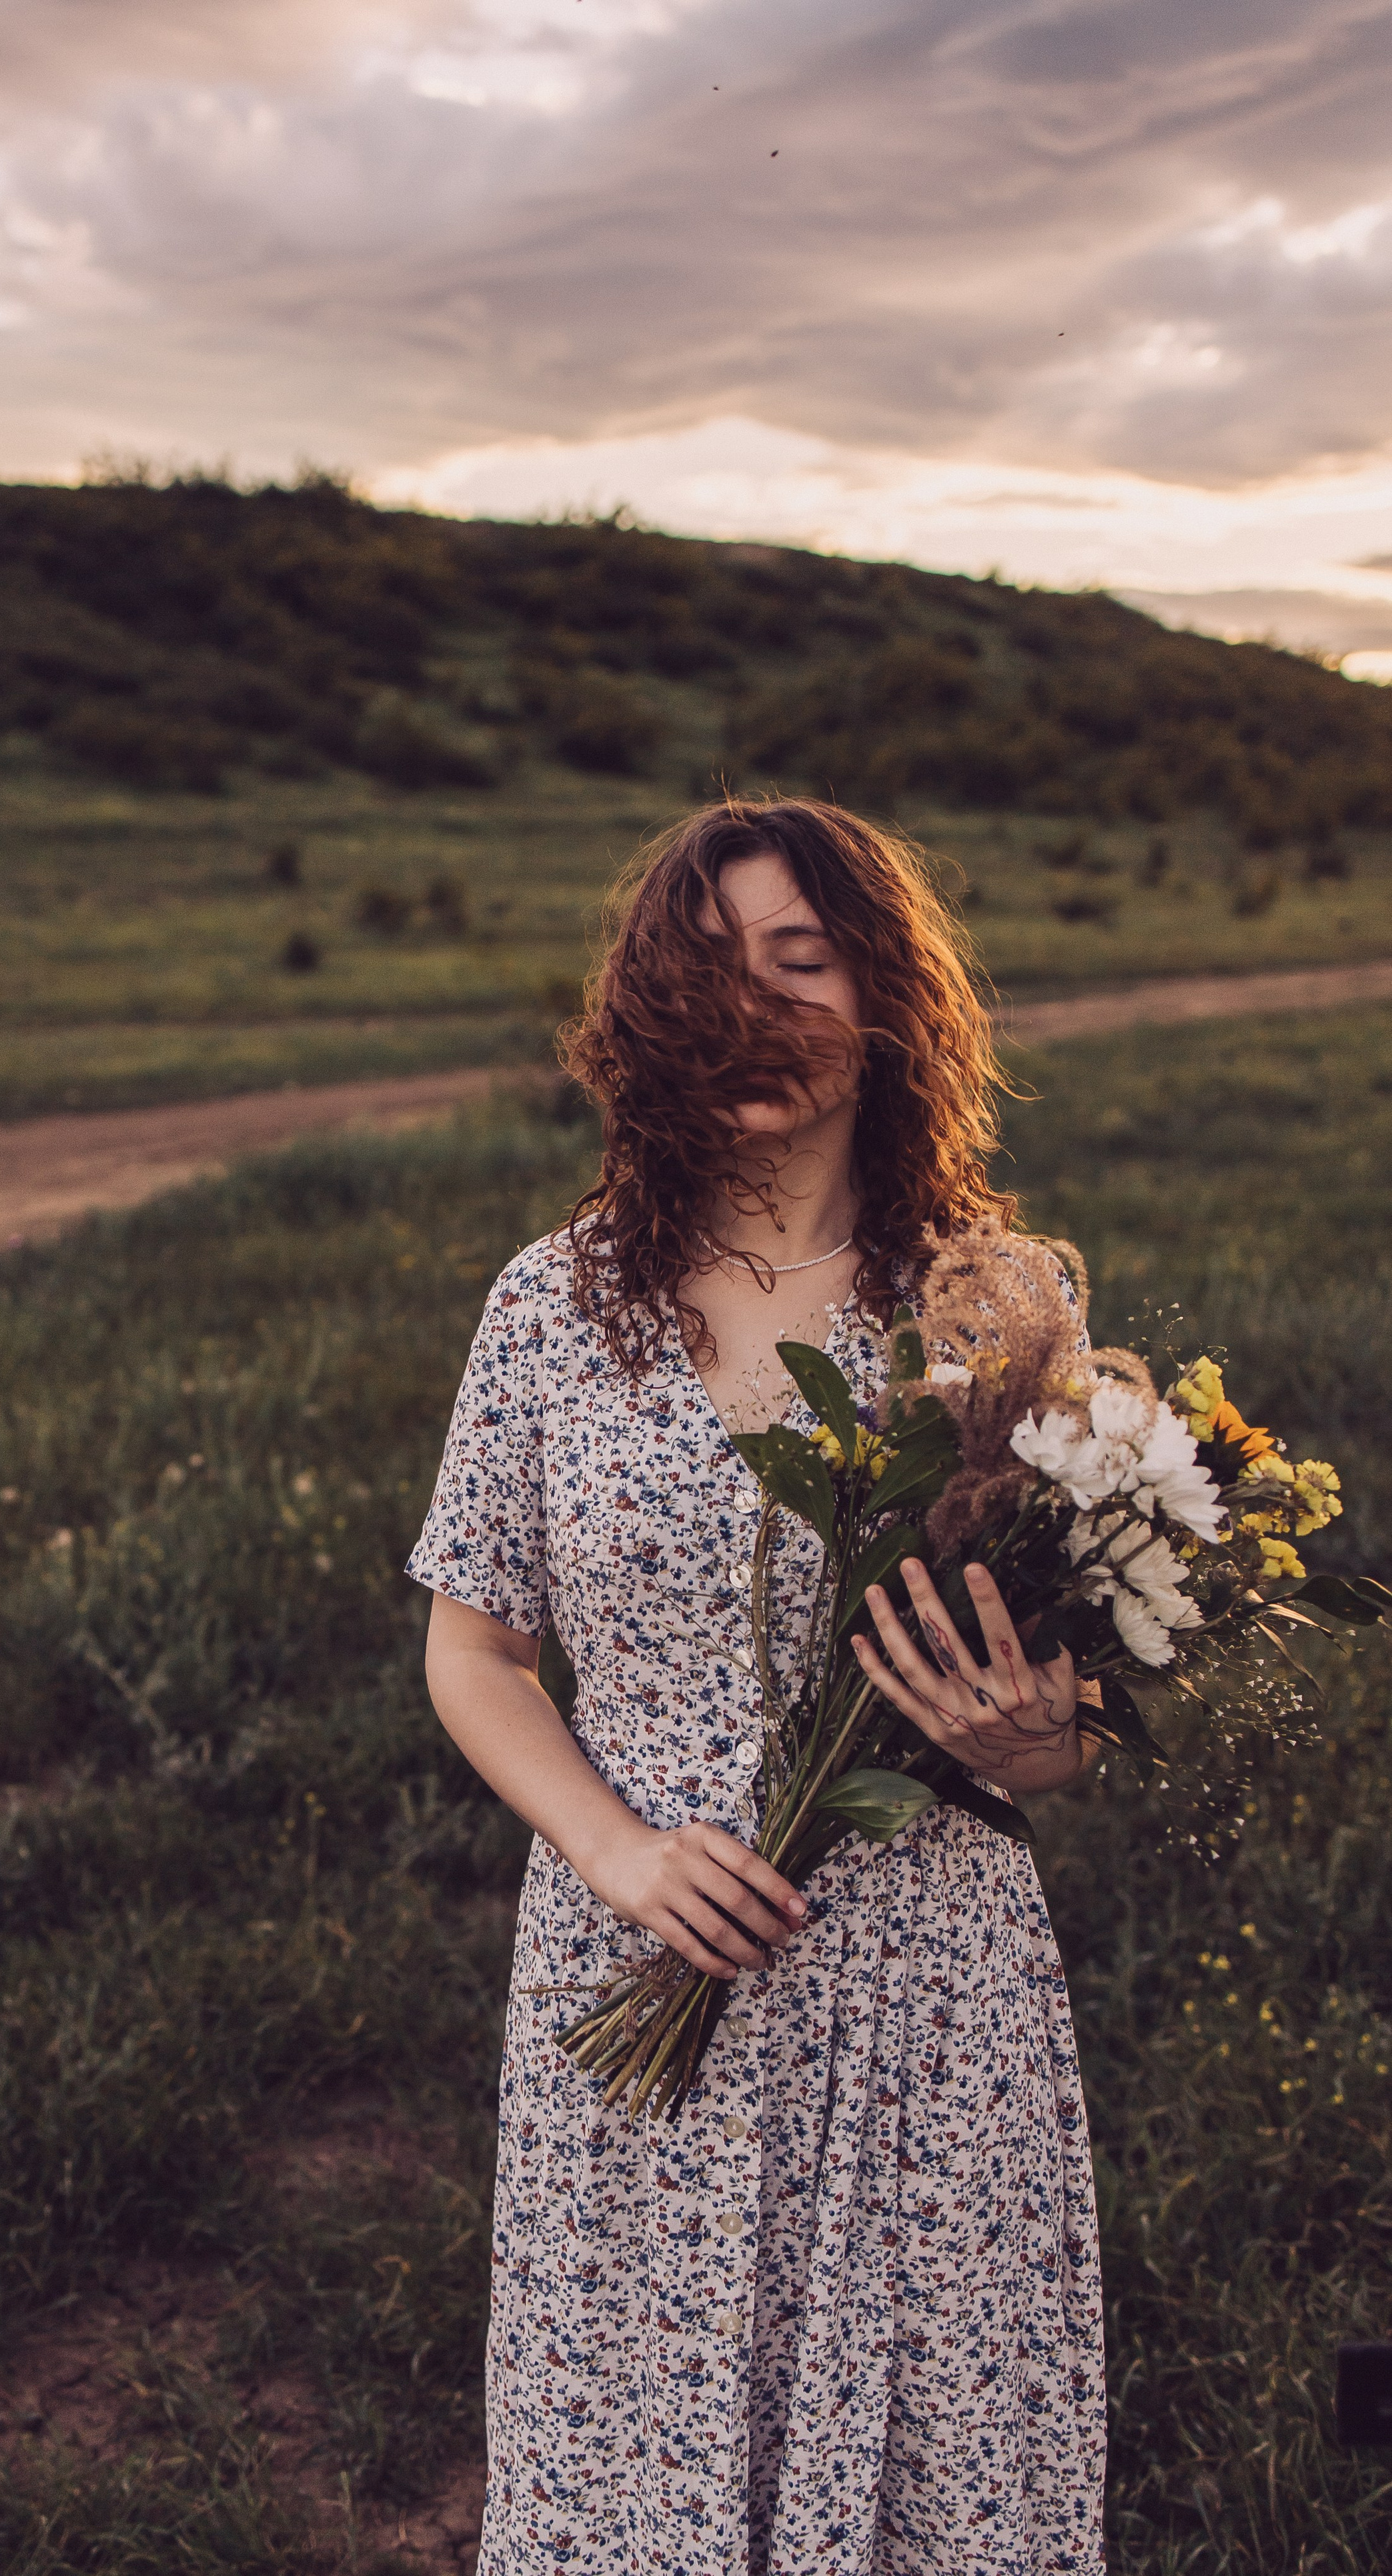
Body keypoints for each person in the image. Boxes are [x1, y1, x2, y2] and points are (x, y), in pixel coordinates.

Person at [409, 798, 1107, 2575]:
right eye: (711, 970)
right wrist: (622, 1854)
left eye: (805, 962)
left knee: (938, 2485)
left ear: (884, 1003)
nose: (759, 1008)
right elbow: (473, 1650)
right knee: (624, 2481)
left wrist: (1049, 1743)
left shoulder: (995, 1313)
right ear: (649, 1015)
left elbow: (1068, 1683)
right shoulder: (554, 1306)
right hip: (638, 1960)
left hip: (933, 1997)